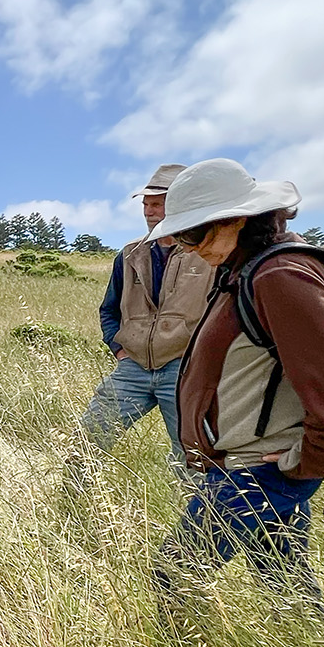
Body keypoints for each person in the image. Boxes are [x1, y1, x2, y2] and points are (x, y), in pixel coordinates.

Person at [149, 159, 324, 619]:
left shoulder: (278, 276)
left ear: (237, 219)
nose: (187, 247)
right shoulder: (245, 271)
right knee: (285, 584)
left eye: (195, 234)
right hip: (255, 464)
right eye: (182, 235)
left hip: (259, 470)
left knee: (176, 571)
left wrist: (304, 463)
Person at [78, 163, 215, 466]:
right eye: (146, 204)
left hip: (184, 372)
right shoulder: (129, 254)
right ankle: (72, 507)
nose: (149, 211)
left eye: (158, 204)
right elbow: (109, 310)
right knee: (88, 443)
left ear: (180, 205)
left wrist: (201, 360)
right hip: (133, 368)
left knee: (195, 458)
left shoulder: (207, 255)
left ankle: (201, 512)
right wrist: (119, 350)